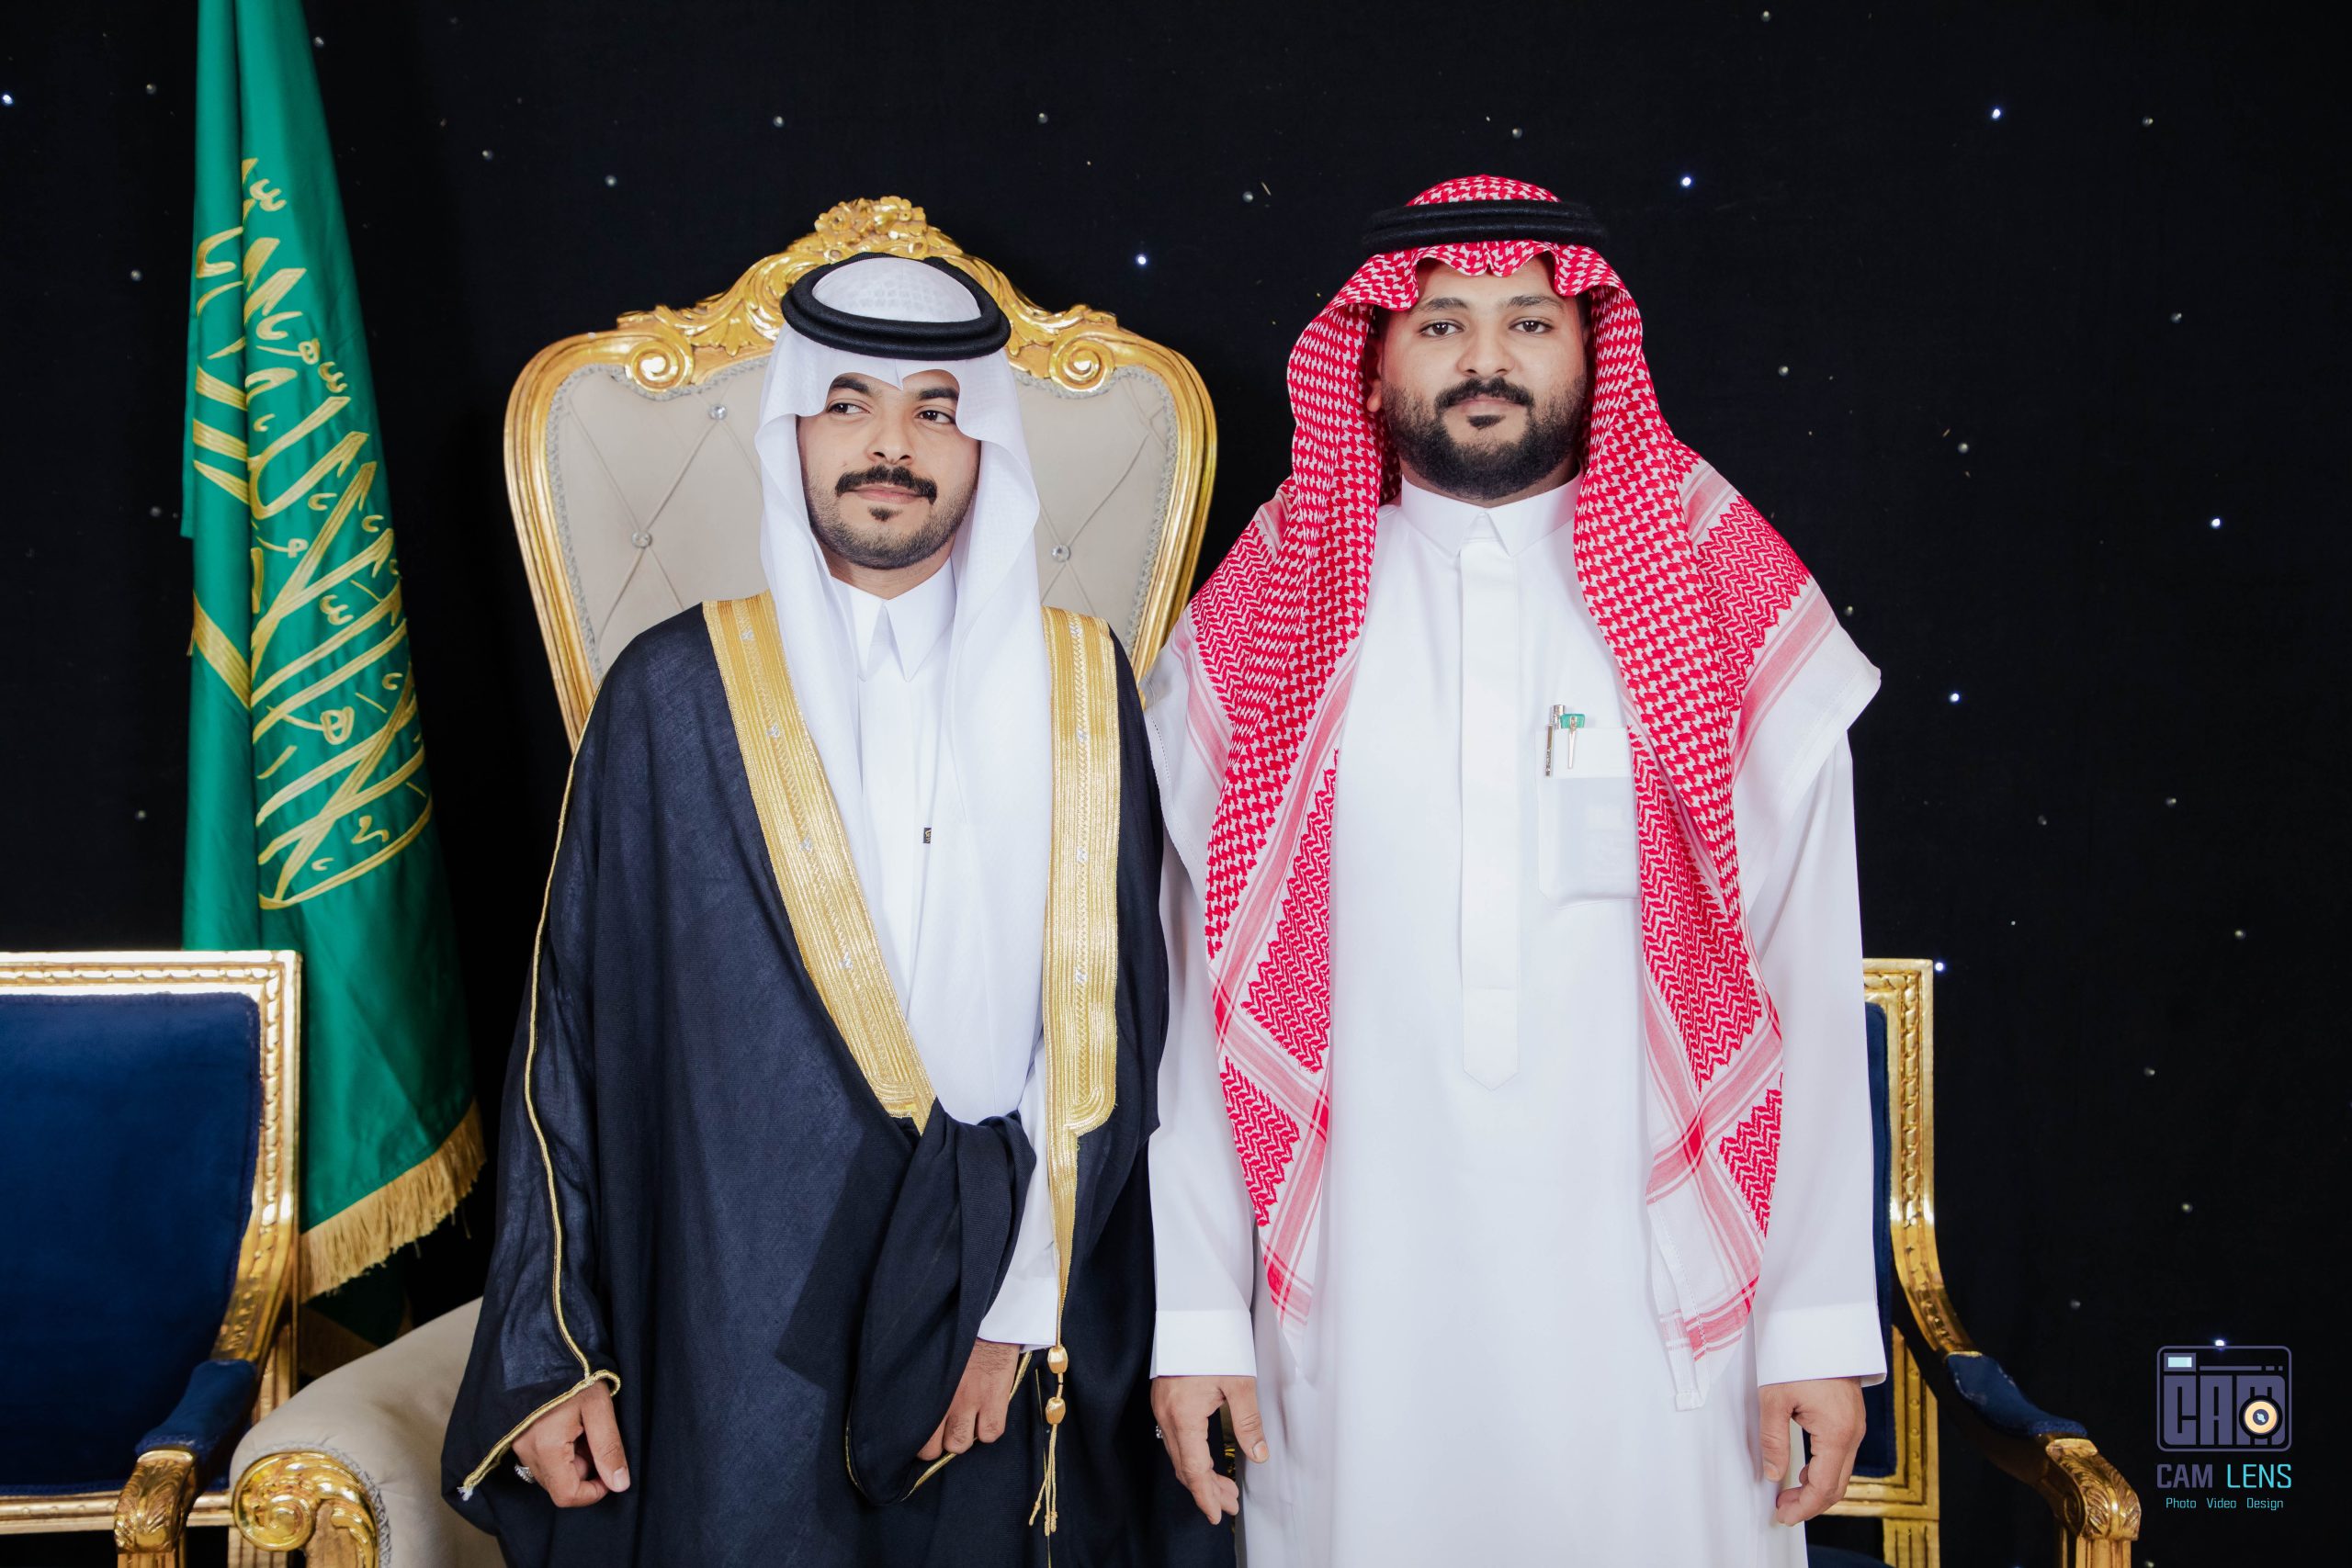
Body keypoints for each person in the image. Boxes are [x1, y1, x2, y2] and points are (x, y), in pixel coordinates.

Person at [443, 253, 1227, 1567]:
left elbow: (1118, 1025)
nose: (890, 445)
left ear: (986, 441)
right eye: (849, 402)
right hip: (733, 1320)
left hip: (1002, 1316)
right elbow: (566, 1040)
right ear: (793, 429)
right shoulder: (671, 694)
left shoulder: (1083, 689)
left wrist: (1015, 1303)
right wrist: (546, 1346)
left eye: (936, 409)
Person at [1143, 176, 1885, 1565]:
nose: (1485, 358)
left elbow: (1807, 967)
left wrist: (1816, 1323)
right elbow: (1196, 1002)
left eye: (1529, 322)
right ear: (1374, 360)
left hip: (1658, 1314)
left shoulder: (1720, 587)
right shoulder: (1271, 606)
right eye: (1441, 324)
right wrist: (1196, 1317)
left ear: (1593, 350)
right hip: (1359, 1313)